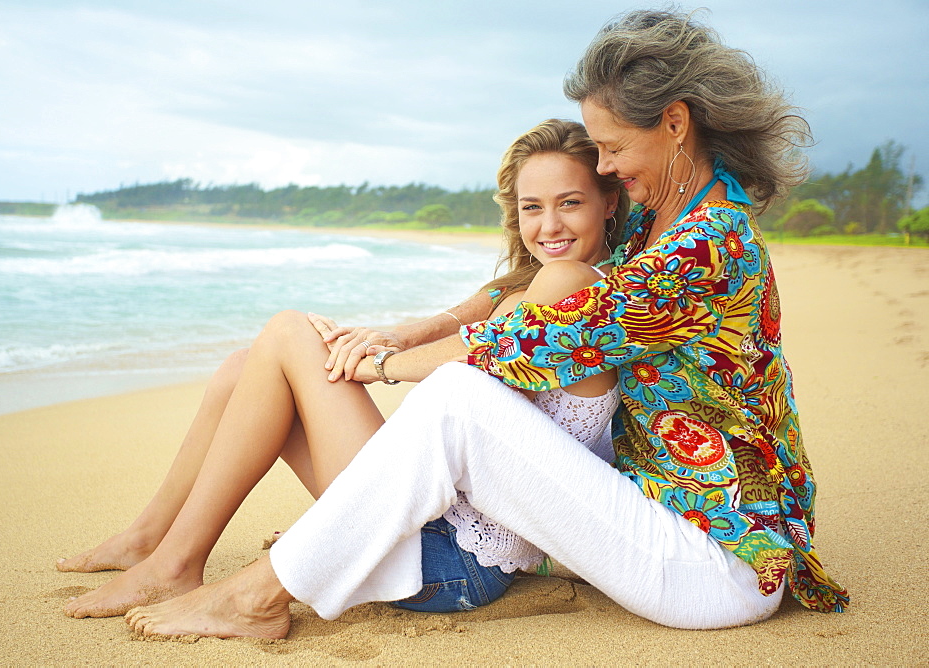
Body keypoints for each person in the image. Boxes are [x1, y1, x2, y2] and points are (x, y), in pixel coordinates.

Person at [123, 8, 848, 640]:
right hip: (658, 520)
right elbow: (530, 284)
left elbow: (547, 334)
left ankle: (256, 594)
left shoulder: (705, 247)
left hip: (713, 566)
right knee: (434, 392)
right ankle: (174, 549)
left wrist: (377, 364)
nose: (604, 164)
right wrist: (410, 332)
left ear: (675, 122)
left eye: (614, 148)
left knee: (459, 397)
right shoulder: (664, 218)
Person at [59, 118, 627, 618]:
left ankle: (174, 564)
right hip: (424, 514)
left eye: (569, 202)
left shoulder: (572, 284)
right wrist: (379, 346)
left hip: (450, 561)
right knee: (243, 369)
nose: (549, 224)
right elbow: (477, 318)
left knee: (288, 333)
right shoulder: (538, 282)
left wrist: (381, 364)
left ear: (608, 202)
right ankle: (149, 538)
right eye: (533, 207)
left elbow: (482, 361)